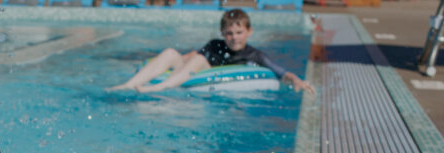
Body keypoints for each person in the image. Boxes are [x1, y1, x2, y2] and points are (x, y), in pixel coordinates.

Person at [109, 8, 315, 94]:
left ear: (249, 32)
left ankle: (157, 88)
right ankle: (128, 84)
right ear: (222, 33)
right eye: (229, 33)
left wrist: (296, 80)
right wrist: (167, 62)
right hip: (191, 70)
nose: (233, 37)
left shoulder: (255, 55)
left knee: (199, 61)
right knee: (173, 53)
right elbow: (189, 56)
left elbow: (279, 71)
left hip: (202, 73)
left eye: (238, 32)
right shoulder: (215, 44)